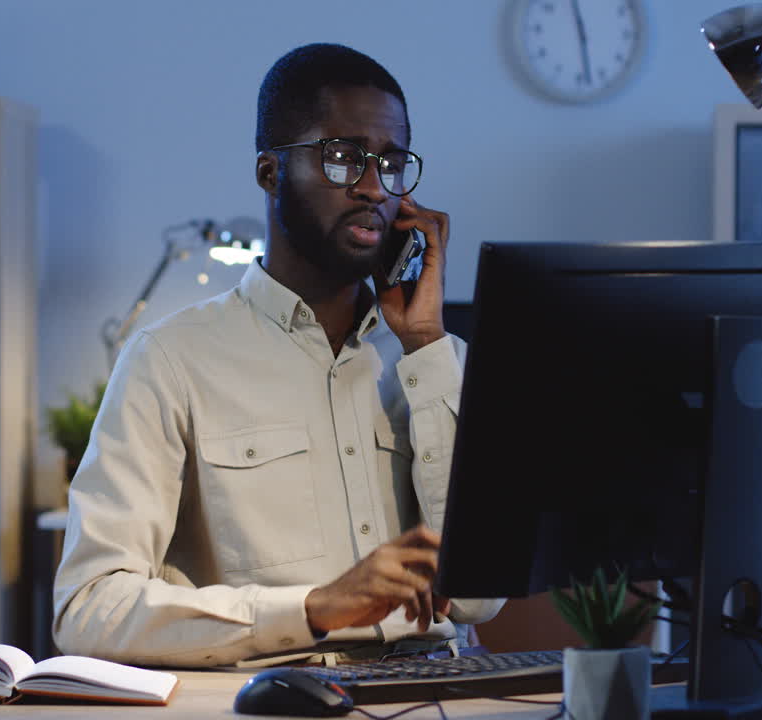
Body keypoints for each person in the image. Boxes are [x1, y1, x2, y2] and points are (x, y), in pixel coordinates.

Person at [53, 42, 503, 668]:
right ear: (270, 172)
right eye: (344, 158)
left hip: (432, 689)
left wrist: (425, 343)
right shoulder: (171, 358)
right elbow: (89, 608)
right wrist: (314, 608)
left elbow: (480, 598)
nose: (375, 187)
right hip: (275, 696)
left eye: (392, 163)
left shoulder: (438, 358)